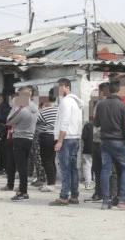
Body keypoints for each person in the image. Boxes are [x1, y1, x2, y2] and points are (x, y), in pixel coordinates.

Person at [94, 80, 125, 210]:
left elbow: (96, 124)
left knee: (106, 170)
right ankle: (122, 200)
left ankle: (106, 201)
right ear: (119, 91)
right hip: (120, 141)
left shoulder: (101, 105)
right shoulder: (123, 105)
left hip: (105, 141)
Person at [49, 78, 83, 206]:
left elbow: (65, 122)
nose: (58, 90)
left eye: (60, 87)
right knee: (73, 168)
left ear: (66, 87)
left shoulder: (66, 102)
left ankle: (63, 196)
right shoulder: (75, 102)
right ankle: (74, 195)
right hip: (75, 138)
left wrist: (59, 141)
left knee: (65, 169)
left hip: (67, 138)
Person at [6, 86, 38, 201]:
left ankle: (23, 191)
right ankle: (22, 189)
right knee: (24, 165)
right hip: (29, 138)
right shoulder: (34, 108)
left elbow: (9, 121)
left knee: (21, 167)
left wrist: (14, 107)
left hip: (19, 138)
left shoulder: (21, 109)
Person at [85, 83, 110, 202]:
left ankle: (102, 193)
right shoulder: (97, 104)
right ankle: (101, 192)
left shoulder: (101, 104)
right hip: (99, 140)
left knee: (101, 169)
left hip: (101, 140)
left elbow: (94, 119)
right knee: (99, 168)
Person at [38, 88, 59, 192]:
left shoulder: (44, 111)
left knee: (46, 161)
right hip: (55, 137)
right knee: (52, 160)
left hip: (46, 137)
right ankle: (52, 182)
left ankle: (50, 184)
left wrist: (40, 109)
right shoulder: (59, 109)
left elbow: (36, 122)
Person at [0, 92, 12, 175]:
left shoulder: (5, 107)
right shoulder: (0, 107)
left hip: (3, 133)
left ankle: (5, 169)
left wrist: (3, 129)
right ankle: (1, 168)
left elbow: (5, 120)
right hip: (0, 132)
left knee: (2, 150)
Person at [82, 118, 94, 190]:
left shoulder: (88, 125)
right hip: (100, 148)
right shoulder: (104, 124)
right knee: (99, 167)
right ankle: (98, 184)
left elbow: (84, 137)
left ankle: (88, 184)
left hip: (88, 148)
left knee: (87, 166)